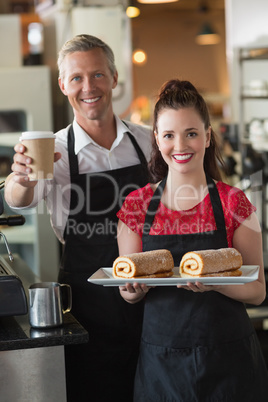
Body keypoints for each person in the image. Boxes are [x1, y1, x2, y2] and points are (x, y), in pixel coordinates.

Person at [4, 34, 151, 401]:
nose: (89, 87)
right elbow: (18, 200)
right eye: (77, 78)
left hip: (153, 295)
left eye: (98, 75)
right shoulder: (51, 152)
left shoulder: (148, 141)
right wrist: (19, 176)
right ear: (62, 85)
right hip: (88, 304)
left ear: (114, 78)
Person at [116, 79, 268, 401]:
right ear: (157, 138)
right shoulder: (136, 207)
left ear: (208, 136)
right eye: (169, 135)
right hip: (162, 366)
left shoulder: (234, 203)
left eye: (192, 133)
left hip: (230, 364)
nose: (180, 145)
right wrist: (132, 291)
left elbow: (257, 291)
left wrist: (214, 283)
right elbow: (127, 290)